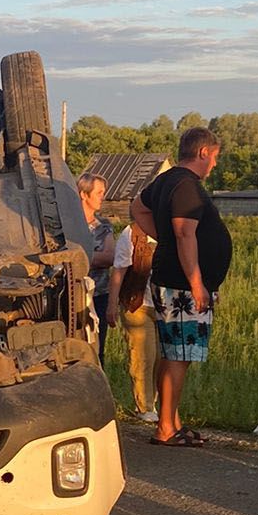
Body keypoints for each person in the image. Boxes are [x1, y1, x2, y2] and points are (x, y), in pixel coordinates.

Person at [134, 127, 231, 447]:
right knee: (179, 356)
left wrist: (159, 235)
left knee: (173, 353)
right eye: (214, 157)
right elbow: (184, 234)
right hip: (182, 288)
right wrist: (197, 283)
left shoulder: (166, 180)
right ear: (203, 153)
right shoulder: (187, 186)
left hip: (171, 279)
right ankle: (165, 428)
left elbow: (136, 208)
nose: (215, 164)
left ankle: (170, 420)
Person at [106, 196, 159, 422]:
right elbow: (119, 272)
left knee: (160, 358)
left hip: (164, 306)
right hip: (136, 304)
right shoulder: (131, 234)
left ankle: (156, 405)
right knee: (142, 357)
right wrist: (112, 305)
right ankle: (144, 407)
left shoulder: (169, 232)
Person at [77, 173, 115, 363]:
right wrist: (94, 258)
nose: (103, 196)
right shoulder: (68, 226)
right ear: (84, 194)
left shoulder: (104, 226)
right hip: (73, 296)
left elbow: (109, 257)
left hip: (99, 296)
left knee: (98, 349)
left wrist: (78, 258)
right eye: (99, 192)